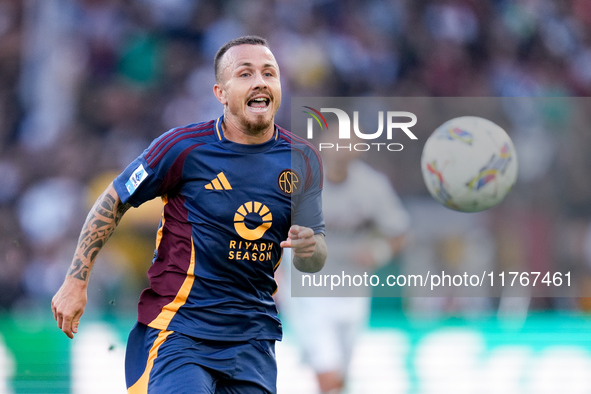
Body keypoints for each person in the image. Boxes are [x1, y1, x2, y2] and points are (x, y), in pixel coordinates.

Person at [51, 35, 327, 394]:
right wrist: (76, 280)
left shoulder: (302, 159)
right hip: (177, 332)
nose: (260, 81)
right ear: (220, 92)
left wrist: (310, 250)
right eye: (245, 74)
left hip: (253, 341)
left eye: (269, 73)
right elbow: (114, 199)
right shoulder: (183, 148)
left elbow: (315, 255)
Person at [283, 128, 410, 394]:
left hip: (351, 289)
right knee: (326, 371)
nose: (343, 146)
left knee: (341, 375)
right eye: (337, 140)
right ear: (321, 144)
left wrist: (377, 253)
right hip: (308, 288)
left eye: (350, 140)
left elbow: (399, 232)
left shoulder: (372, 185)